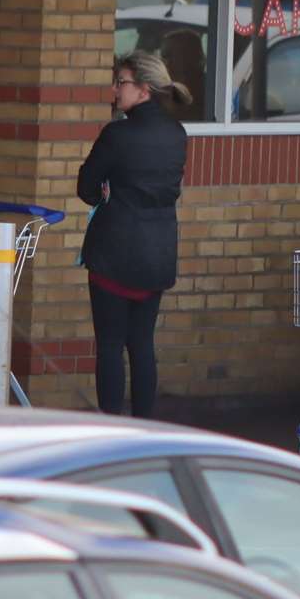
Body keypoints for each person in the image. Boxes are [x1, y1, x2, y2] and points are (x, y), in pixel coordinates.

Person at [77, 51, 190, 417]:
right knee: (142, 344)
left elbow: (86, 186)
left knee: (110, 345)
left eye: (121, 82)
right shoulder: (177, 133)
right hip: (157, 252)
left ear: (143, 89)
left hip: (114, 253)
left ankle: (112, 425)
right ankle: (145, 426)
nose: (114, 89)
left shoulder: (118, 134)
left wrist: (105, 193)